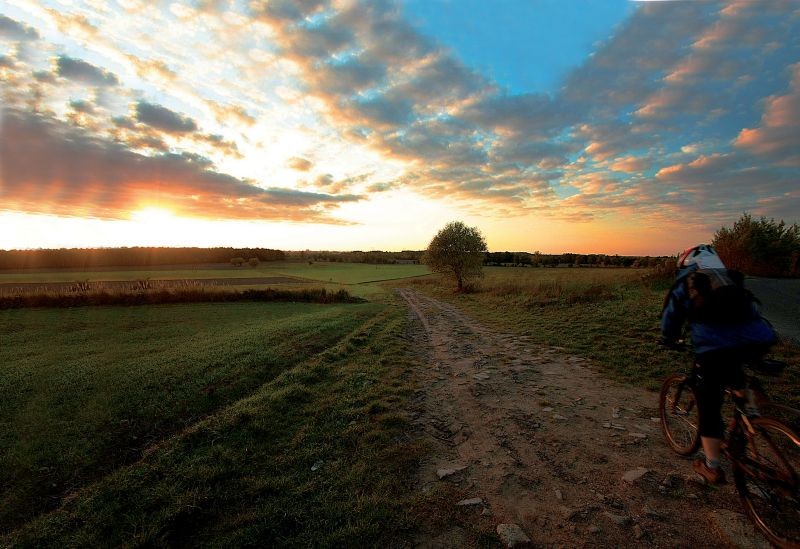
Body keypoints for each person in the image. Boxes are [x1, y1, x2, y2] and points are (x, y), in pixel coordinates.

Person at [661, 244, 776, 484]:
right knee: (734, 370)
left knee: (709, 405)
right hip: (757, 339)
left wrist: (669, 338)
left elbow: (671, 317)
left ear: (685, 263)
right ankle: (749, 401)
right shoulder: (731, 278)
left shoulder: (687, 281)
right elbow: (752, 308)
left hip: (715, 350)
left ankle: (711, 465)